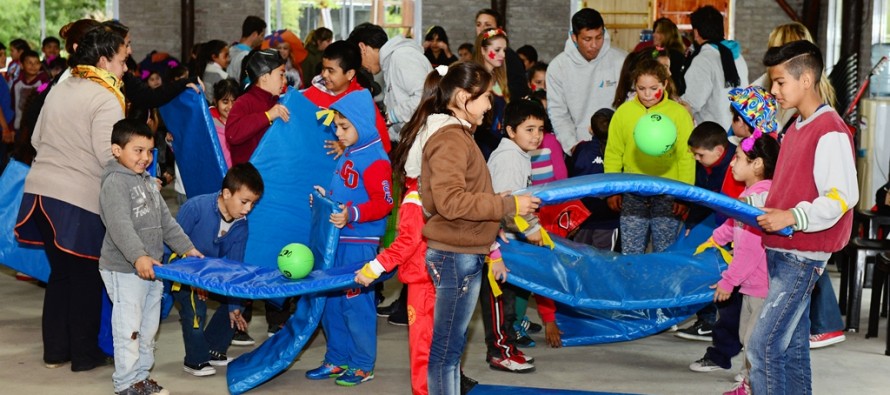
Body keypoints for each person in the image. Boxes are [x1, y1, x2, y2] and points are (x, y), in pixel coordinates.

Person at [420, 61, 540, 395]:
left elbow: (461, 196)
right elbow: (451, 203)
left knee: (452, 347)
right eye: (486, 96)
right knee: (447, 351)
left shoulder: (460, 136)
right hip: (454, 254)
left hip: (463, 251)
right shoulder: (451, 139)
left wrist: (494, 203)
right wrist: (506, 206)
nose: (490, 105)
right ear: (462, 97)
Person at [14, 26, 128, 373]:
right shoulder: (105, 97)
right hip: (75, 199)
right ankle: (84, 355)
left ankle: (55, 352)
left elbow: (36, 138)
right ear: (104, 60)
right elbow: (108, 155)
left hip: (40, 192)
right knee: (86, 278)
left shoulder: (62, 87)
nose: (126, 68)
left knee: (61, 275)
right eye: (123, 60)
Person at [748, 40, 857, 395]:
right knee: (792, 349)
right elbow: (794, 185)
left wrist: (792, 216)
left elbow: (842, 197)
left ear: (806, 79)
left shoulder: (830, 130)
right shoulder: (794, 125)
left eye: (780, 82)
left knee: (762, 346)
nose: (773, 90)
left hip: (802, 255)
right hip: (782, 250)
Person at [99, 119, 203, 395]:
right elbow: (119, 226)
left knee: (147, 330)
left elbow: (166, 221)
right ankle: (125, 384)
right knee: (128, 330)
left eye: (149, 151)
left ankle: (141, 377)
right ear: (116, 150)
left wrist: (187, 247)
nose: (145, 157)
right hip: (125, 269)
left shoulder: (145, 181)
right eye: (138, 150)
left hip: (153, 269)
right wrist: (138, 257)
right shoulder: (114, 183)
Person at [306, 89, 393, 387]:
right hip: (336, 241)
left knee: (356, 305)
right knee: (331, 304)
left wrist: (351, 214)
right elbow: (343, 193)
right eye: (337, 127)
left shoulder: (376, 159)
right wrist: (324, 200)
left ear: (363, 124)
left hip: (359, 245)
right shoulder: (350, 153)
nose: (338, 133)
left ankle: (361, 364)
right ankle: (337, 358)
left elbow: (384, 203)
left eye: (345, 127)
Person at [173, 163, 262, 377]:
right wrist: (196, 282)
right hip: (181, 274)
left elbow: (235, 268)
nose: (248, 209)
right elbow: (172, 250)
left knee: (238, 297)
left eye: (253, 203)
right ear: (226, 193)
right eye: (244, 201)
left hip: (208, 275)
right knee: (196, 307)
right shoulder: (195, 208)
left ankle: (213, 348)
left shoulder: (241, 224)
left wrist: (234, 305)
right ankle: (195, 360)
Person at [603, 58, 694, 254]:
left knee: (665, 250)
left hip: (668, 193)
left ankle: (662, 285)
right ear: (634, 86)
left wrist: (684, 195)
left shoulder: (679, 114)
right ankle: (632, 283)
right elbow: (613, 152)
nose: (647, 94)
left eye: (654, 88)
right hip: (632, 192)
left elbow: (686, 156)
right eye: (641, 88)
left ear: (665, 84)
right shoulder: (623, 113)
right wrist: (612, 190)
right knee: (631, 250)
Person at [484, 99, 548, 370]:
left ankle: (507, 346)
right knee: (500, 300)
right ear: (511, 131)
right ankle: (500, 351)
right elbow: (507, 204)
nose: (537, 136)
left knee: (507, 298)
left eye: (540, 129)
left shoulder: (518, 153)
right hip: (497, 241)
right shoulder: (509, 157)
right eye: (529, 129)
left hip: (506, 239)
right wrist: (532, 229)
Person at [547, 8, 626, 153]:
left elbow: (631, 104)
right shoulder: (558, 67)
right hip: (580, 147)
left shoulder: (621, 61)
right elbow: (559, 114)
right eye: (587, 39)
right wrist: (573, 147)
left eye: (599, 37)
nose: (594, 45)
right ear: (574, 38)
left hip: (619, 146)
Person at [347, 23, 431, 143]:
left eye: (357, 58)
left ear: (362, 48)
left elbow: (425, 97)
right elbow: (401, 122)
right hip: (411, 140)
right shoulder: (390, 62)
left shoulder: (402, 56)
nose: (361, 66)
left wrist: (390, 117)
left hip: (423, 141)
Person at [303, 40, 391, 153]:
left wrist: (349, 147)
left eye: (331, 71)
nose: (324, 75)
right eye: (323, 69)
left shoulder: (361, 100)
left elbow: (381, 143)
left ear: (349, 74)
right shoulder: (311, 94)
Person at [681, 6, 748, 130]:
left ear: (696, 33)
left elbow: (691, 103)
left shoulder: (704, 59)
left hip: (711, 136)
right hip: (737, 130)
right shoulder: (738, 56)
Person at [225, 48, 289, 165]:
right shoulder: (244, 102)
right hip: (249, 179)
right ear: (264, 76)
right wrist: (268, 115)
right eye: (281, 74)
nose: (284, 80)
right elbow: (232, 134)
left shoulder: (278, 103)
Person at [570, 108, 619, 250]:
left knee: (581, 257)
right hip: (607, 219)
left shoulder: (580, 149)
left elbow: (572, 176)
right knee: (604, 260)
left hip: (582, 215)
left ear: (590, 129)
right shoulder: (618, 152)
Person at [472, 28, 511, 159]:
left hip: (499, 146)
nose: (503, 55)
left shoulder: (500, 78)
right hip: (482, 148)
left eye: (504, 50)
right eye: (497, 50)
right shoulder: (475, 79)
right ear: (483, 50)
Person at [474, 9, 530, 101]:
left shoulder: (509, 58)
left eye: (488, 25)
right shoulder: (471, 60)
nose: (482, 29)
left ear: (499, 29)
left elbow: (519, 91)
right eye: (478, 24)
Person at [10, 50, 49, 133]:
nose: (33, 66)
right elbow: (13, 105)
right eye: (29, 63)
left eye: (36, 63)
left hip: (38, 126)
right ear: (21, 65)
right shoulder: (17, 84)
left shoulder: (44, 82)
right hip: (19, 126)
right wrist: (12, 127)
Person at [210, 78, 240, 168]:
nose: (230, 107)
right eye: (225, 102)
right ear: (215, 101)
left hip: (236, 177)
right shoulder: (208, 123)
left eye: (234, 102)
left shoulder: (244, 122)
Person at [228, 16, 267, 82]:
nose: (262, 39)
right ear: (254, 34)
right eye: (262, 35)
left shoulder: (229, 50)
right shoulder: (247, 56)